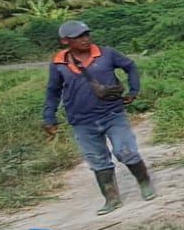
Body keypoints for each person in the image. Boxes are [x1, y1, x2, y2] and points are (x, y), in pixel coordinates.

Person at [42, 20, 155, 215]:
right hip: (81, 120)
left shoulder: (106, 54)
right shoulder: (59, 63)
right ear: (65, 41)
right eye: (78, 37)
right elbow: (53, 91)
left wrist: (134, 90)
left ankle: (145, 183)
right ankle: (111, 199)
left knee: (126, 151)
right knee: (97, 160)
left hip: (112, 114)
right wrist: (49, 117)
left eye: (86, 34)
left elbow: (130, 66)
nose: (85, 39)